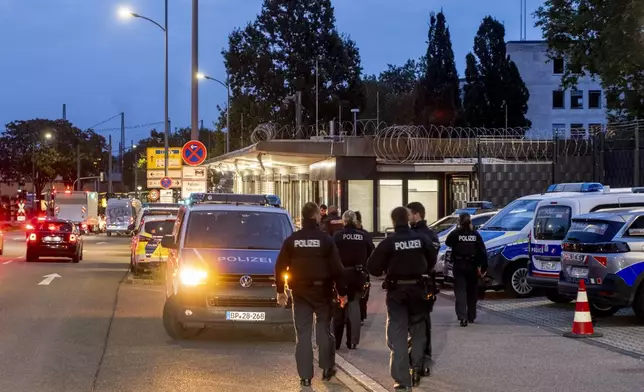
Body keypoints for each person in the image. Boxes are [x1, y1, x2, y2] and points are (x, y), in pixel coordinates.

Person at [275, 202, 348, 386]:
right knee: (324, 330)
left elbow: (280, 266)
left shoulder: (292, 240)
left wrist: (280, 291)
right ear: (316, 216)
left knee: (303, 335)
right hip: (322, 292)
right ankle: (326, 367)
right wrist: (342, 292)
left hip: (300, 293)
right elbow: (337, 269)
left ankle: (306, 377)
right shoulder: (325, 240)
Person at [367, 206, 437, 391]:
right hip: (418, 291)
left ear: (393, 221)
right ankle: (417, 367)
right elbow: (432, 258)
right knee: (419, 331)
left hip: (397, 292)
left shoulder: (390, 242)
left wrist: (386, 269)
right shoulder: (422, 238)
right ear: (407, 219)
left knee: (397, 336)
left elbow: (372, 266)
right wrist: (423, 270)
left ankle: (402, 381)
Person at [406, 202, 440, 377]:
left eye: (409, 214)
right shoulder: (425, 235)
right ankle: (417, 359)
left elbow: (432, 261)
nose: (407, 218)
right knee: (417, 325)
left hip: (422, 285)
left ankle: (422, 360)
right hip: (419, 285)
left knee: (423, 324)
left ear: (417, 214)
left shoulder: (427, 235)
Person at [332, 210, 374, 350]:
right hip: (358, 275)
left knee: (339, 306)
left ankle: (336, 342)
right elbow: (371, 254)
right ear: (355, 221)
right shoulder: (364, 236)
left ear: (343, 221)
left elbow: (331, 255)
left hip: (341, 274)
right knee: (355, 302)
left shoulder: (337, 236)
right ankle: (352, 341)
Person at [445, 212, 488, 327]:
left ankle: (462, 317)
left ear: (459, 221)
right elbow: (482, 251)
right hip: (472, 265)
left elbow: (447, 242)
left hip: (459, 265)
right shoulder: (475, 234)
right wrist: (483, 267)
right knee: (472, 292)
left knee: (460, 292)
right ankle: (471, 316)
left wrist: (456, 230)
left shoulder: (456, 233)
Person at [355, 211, 371, 324]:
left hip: (362, 269)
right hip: (359, 270)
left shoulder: (365, 235)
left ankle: (361, 315)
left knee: (363, 294)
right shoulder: (365, 235)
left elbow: (371, 252)